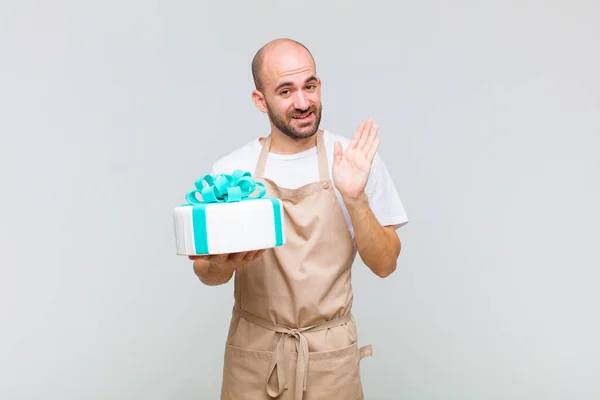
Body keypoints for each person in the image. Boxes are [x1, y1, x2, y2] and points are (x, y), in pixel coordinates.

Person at [189, 38, 409, 400]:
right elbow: (206, 273)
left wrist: (355, 199)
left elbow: (386, 265)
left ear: (319, 86)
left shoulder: (354, 162)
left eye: (309, 86)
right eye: (286, 91)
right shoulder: (232, 171)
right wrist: (222, 265)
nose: (303, 102)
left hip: (330, 357)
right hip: (256, 353)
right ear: (260, 100)